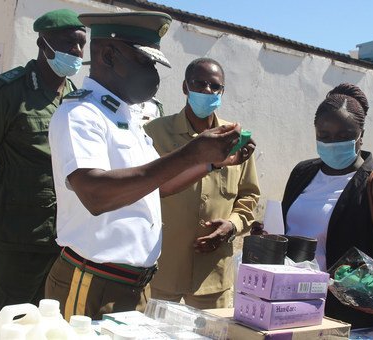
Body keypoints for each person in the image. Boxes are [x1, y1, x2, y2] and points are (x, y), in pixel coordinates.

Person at [46, 12, 252, 320]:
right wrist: (190, 153)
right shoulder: (81, 115)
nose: (152, 74)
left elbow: (156, 185)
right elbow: (95, 195)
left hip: (135, 285)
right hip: (92, 282)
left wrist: (209, 163)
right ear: (107, 55)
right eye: (145, 62)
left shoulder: (125, 116)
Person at [0, 9, 86, 315]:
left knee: (50, 322)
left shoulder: (76, 98)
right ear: (44, 42)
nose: (77, 51)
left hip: (62, 240)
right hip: (12, 240)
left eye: (81, 44)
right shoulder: (4, 94)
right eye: (69, 43)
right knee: (5, 320)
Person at [281, 83, 373, 333]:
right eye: (324, 136)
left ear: (361, 135)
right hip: (291, 303)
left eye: (343, 136)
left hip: (346, 317)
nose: (332, 143)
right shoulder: (302, 173)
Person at [144, 58, 260, 309]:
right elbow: (142, 189)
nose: (207, 91)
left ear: (222, 92)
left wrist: (232, 225)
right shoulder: (154, 133)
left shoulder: (236, 139)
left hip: (212, 274)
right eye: (199, 84)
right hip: (162, 269)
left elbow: (249, 196)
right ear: (185, 87)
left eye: (214, 86)